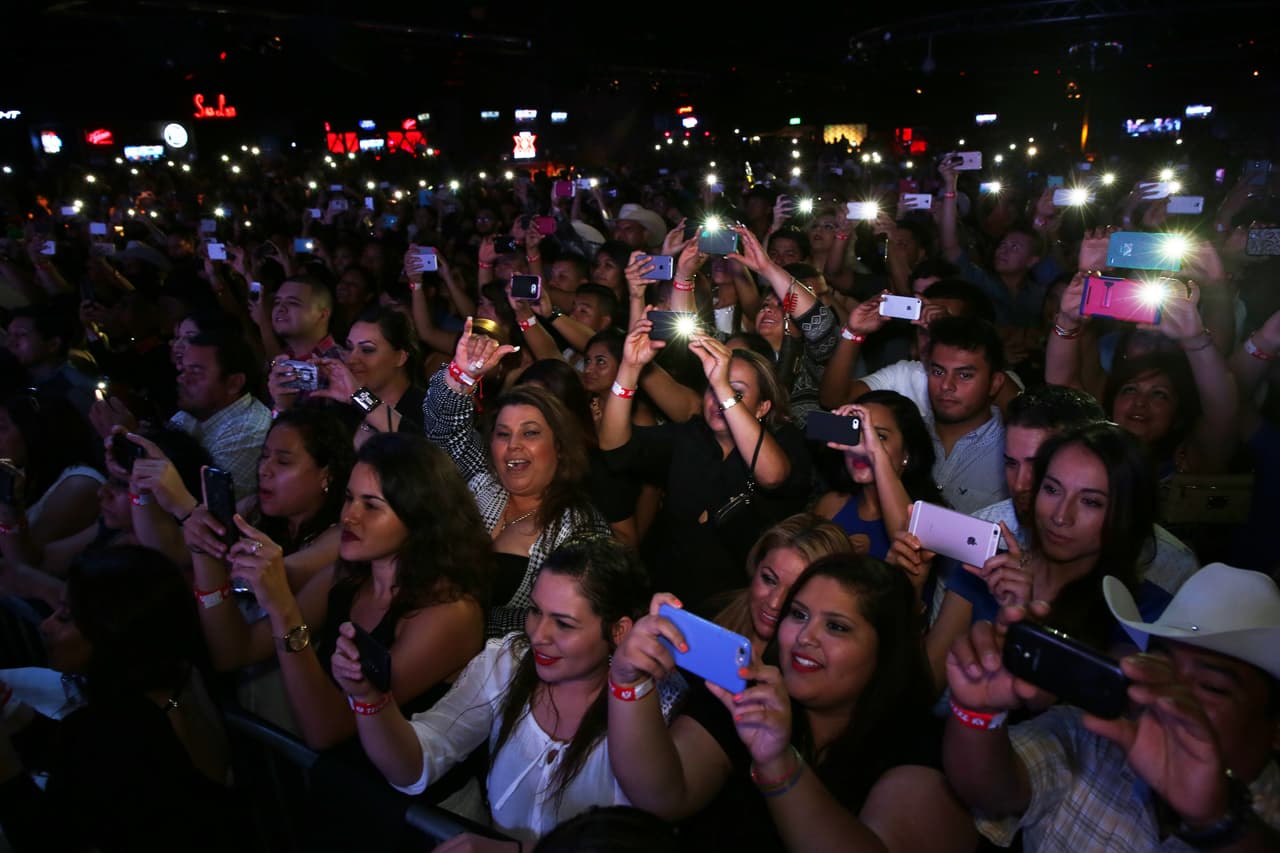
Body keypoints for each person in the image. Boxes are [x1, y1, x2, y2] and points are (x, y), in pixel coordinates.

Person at [607, 554, 977, 852]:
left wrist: (778, 762)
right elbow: (662, 796)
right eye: (798, 615)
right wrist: (629, 683)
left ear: (885, 653)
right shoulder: (746, 696)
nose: (804, 637)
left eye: (836, 627)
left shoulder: (922, 748)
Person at [333, 536, 651, 851]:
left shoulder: (645, 708)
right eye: (535, 611)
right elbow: (414, 764)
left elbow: (636, 842)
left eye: (564, 624)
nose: (538, 635)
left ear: (618, 631)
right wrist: (369, 699)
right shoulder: (508, 663)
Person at [943, 563, 1280, 851]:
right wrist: (977, 711)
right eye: (1162, 668)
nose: (1173, 696)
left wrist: (1216, 820)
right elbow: (990, 793)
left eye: (1211, 687)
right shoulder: (1091, 735)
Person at [185, 432, 489, 750]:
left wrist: (283, 609)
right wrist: (204, 553)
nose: (348, 516)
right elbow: (233, 652)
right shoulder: (346, 577)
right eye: (348, 498)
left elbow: (328, 730)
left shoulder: (450, 612)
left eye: (370, 505)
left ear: (420, 518)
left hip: (381, 781)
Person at [0, 546, 234, 853]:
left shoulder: (115, 733)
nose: (46, 625)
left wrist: (6, 770)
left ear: (110, 632)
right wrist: (15, 711)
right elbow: (79, 763)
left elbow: (46, 839)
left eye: (66, 617)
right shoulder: (181, 677)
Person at [601, 316, 812, 613]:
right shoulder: (690, 436)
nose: (718, 398)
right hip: (667, 599)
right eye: (712, 388)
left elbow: (773, 476)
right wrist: (629, 369)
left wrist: (723, 387)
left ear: (763, 407)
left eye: (736, 391)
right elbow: (615, 448)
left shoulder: (784, 440)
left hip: (736, 609)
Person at [424, 318, 610, 637]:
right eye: (503, 434)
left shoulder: (581, 531)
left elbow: (574, 630)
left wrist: (471, 632)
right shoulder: (482, 480)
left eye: (531, 433)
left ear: (560, 446)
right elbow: (445, 429)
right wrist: (462, 375)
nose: (513, 446)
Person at [1047, 272, 1238, 476]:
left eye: (1159, 394)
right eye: (1130, 390)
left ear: (1178, 413)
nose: (1140, 402)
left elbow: (1222, 411)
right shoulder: (1093, 447)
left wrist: (1195, 339)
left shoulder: (1190, 459)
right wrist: (1067, 320)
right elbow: (1060, 385)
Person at [813, 390, 943, 560]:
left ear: (907, 453)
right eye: (856, 433)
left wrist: (876, 455)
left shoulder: (932, 518)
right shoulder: (830, 506)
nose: (862, 447)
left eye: (879, 437)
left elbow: (912, 550)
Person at [713, 513, 853, 659]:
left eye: (795, 592)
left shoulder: (812, 669)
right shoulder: (715, 610)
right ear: (756, 565)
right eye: (769, 579)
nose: (775, 603)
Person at [0, 394, 104, 558]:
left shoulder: (79, 484)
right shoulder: (25, 475)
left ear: (35, 431)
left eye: (2, 428)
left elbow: (27, 560)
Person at [305, 306, 427, 440]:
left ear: (400, 357)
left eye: (367, 350)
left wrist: (360, 396)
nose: (351, 359)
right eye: (349, 348)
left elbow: (417, 445)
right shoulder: (344, 407)